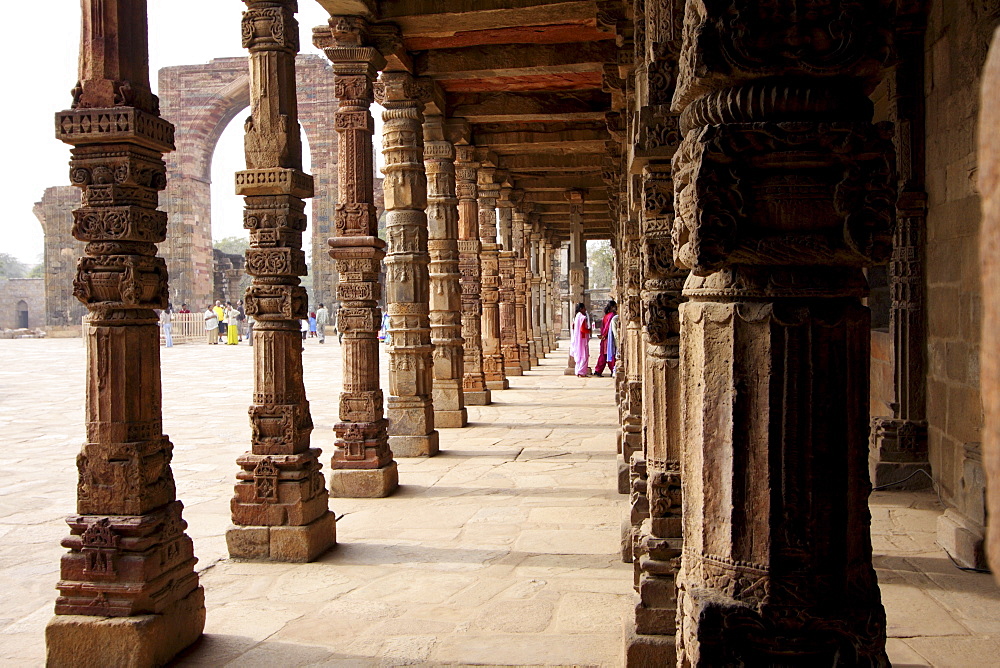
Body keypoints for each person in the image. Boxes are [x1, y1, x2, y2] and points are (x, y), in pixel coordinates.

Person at [593, 299, 617, 376]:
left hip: (605, 337)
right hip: (608, 338)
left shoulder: (606, 316)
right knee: (610, 354)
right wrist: (604, 335)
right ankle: (613, 369)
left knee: (604, 355)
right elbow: (607, 327)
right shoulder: (611, 315)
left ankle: (598, 370)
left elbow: (603, 327)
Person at [570, 302, 591, 377]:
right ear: (581, 309)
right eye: (584, 308)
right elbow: (582, 329)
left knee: (579, 356)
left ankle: (578, 371)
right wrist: (589, 331)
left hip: (577, 339)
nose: (585, 309)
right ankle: (581, 372)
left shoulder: (576, 317)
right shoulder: (582, 317)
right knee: (584, 356)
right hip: (582, 339)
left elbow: (573, 327)